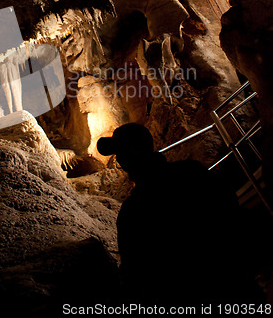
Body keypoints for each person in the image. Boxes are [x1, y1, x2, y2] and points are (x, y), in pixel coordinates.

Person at [97, 123, 264, 305]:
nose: (120, 160)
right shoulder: (192, 172)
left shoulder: (134, 209)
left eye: (122, 152)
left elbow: (135, 275)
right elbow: (230, 205)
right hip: (237, 288)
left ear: (137, 150)